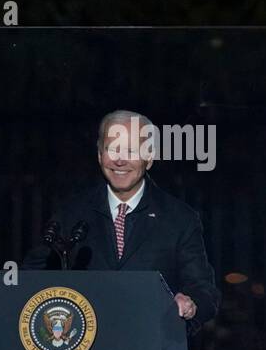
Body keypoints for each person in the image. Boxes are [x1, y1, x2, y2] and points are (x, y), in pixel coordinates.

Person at [23, 110, 219, 329]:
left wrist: (190, 305)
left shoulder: (179, 219)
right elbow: (31, 278)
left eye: (131, 150)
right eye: (112, 149)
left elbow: (204, 291)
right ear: (99, 155)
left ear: (150, 158)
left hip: (152, 349)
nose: (119, 160)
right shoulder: (72, 213)